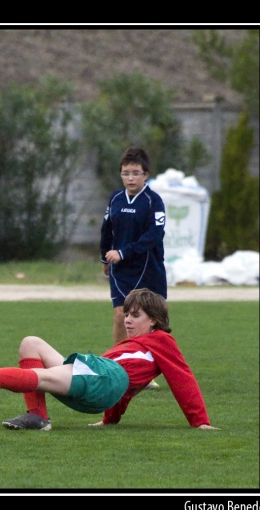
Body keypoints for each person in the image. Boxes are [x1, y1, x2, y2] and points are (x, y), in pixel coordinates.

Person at [0, 288, 219, 431]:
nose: (128, 319)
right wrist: (110, 420)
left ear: (154, 321)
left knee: (45, 377)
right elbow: (126, 387)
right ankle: (38, 417)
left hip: (105, 376)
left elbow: (182, 378)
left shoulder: (162, 340)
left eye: (136, 315)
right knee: (31, 344)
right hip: (103, 375)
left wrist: (200, 421)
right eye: (126, 314)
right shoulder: (134, 347)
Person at [100, 147, 167, 389]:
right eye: (125, 173)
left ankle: (149, 370)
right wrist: (104, 257)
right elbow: (107, 230)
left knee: (154, 322)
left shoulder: (153, 201)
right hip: (120, 269)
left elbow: (154, 235)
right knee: (121, 315)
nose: (130, 178)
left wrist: (123, 252)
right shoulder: (116, 199)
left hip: (149, 268)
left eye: (136, 173)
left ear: (146, 174)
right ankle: (120, 368)